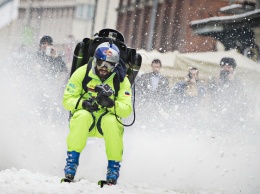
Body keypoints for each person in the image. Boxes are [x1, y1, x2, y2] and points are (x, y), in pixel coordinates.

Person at [62, 42, 132, 185]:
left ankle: (113, 169)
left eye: (109, 65)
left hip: (105, 120)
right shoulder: (82, 73)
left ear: (115, 66)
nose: (104, 68)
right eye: (100, 63)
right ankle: (71, 164)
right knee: (82, 116)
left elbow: (126, 110)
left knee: (112, 122)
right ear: (95, 61)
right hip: (86, 117)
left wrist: (111, 104)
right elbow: (67, 100)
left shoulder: (121, 80)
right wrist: (83, 103)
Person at [207, 57, 247, 126]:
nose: (226, 69)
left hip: (232, 112)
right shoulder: (215, 79)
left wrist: (232, 82)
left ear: (233, 69)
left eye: (229, 67)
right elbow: (210, 92)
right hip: (216, 110)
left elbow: (239, 96)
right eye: (224, 67)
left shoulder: (237, 81)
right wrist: (217, 83)